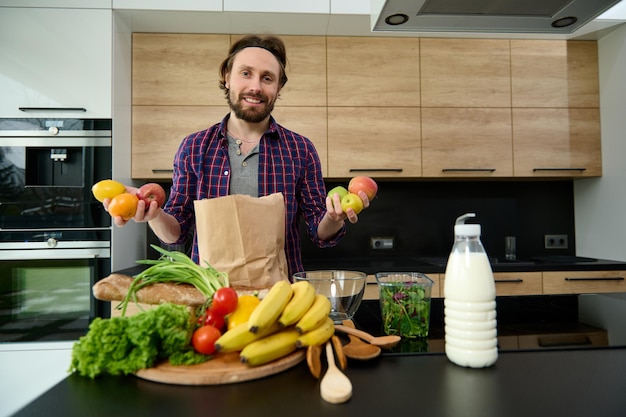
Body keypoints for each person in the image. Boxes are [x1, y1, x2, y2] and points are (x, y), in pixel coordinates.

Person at [106, 34, 369, 279]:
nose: (255, 87)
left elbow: (319, 233)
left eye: (267, 78)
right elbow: (176, 234)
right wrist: (152, 214)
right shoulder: (194, 147)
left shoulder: (300, 149)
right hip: (211, 294)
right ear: (227, 77)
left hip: (280, 295)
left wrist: (333, 218)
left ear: (278, 88)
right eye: (246, 73)